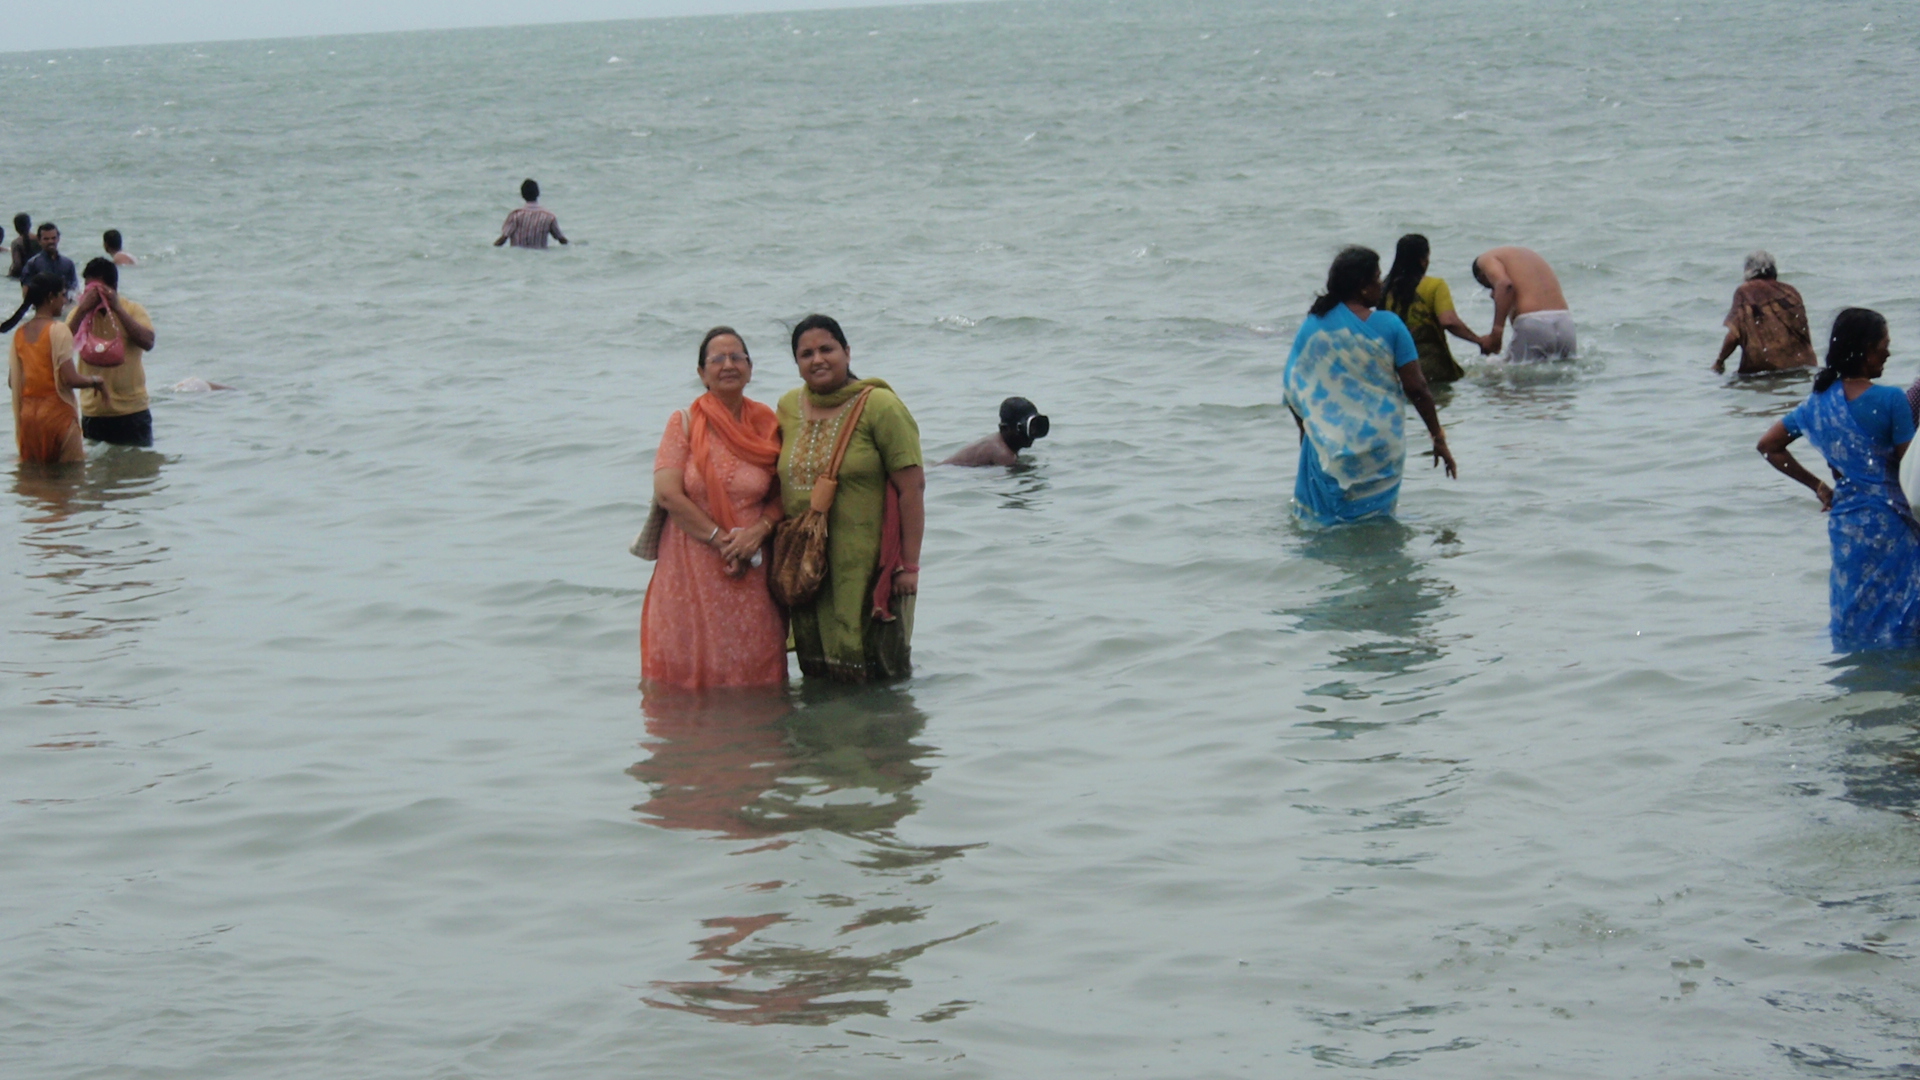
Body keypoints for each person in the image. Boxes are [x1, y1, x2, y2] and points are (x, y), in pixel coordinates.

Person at [1757, 308, 1920, 650]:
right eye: (1883, 345)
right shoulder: (1891, 400)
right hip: (1893, 526)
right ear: (1865, 350)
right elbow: (1912, 469)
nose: (1888, 353)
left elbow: (1769, 446)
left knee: (1856, 614)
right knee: (1904, 618)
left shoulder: (1816, 405)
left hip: (1847, 526)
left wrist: (1819, 487)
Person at [776, 315, 925, 682]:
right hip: (808, 569)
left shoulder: (881, 406)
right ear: (796, 363)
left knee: (876, 675)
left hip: (867, 569)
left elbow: (912, 488)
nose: (817, 360)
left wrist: (909, 566)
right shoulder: (788, 407)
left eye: (826, 349)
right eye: (806, 354)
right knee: (818, 674)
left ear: (847, 351)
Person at [640, 327, 789, 690]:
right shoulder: (684, 423)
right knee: (688, 671)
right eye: (717, 359)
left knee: (757, 670)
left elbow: (785, 493)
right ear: (701, 373)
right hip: (691, 564)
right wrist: (723, 542)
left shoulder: (769, 424)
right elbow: (668, 494)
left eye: (737, 357)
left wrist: (758, 533)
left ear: (750, 368)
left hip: (752, 565)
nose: (728, 365)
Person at [1283, 246, 1457, 526]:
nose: (1381, 284)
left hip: (1329, 444)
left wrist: (1308, 434)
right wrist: (1438, 437)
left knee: (1323, 525)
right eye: (1377, 278)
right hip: (1380, 447)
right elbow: (1417, 388)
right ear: (1362, 286)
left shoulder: (1313, 325)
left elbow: (1294, 386)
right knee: (1376, 522)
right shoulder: (1390, 325)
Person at [6, 273, 105, 464]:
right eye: (62, 295)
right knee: (71, 476)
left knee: (34, 478)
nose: (64, 301)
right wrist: (95, 381)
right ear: (51, 297)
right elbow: (70, 379)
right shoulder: (58, 330)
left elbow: (13, 382)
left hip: (29, 419)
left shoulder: (19, 334)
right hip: (58, 416)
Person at [68, 258, 157, 447]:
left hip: (132, 410)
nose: (92, 294)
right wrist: (83, 310)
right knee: (96, 464)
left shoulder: (132, 310)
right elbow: (61, 345)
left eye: (96, 289)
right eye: (88, 289)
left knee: (138, 463)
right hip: (94, 412)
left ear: (113, 287)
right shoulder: (79, 314)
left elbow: (148, 342)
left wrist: (117, 308)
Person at [1379, 234, 1488, 385]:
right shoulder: (1434, 285)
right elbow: (1449, 321)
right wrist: (1479, 341)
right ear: (1423, 260)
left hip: (1395, 369)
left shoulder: (1383, 289)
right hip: (1434, 368)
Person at [1713, 251, 1814, 375]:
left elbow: (1734, 335)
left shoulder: (1745, 291)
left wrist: (1719, 361)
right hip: (1802, 366)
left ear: (1748, 271)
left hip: (1764, 369)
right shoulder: (1790, 291)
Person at [1471, 246, 1574, 360]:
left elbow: (1504, 285)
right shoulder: (1525, 256)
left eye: (1490, 286)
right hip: (1565, 322)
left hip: (1534, 323)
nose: (1492, 293)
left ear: (1481, 276)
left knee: (1500, 369)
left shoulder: (1484, 260)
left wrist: (1497, 333)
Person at [939, 397, 1049, 466]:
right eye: (1024, 429)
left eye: (1035, 426)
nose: (1031, 434)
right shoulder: (1003, 454)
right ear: (1004, 429)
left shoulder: (998, 442)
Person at [493, 179, 567, 249]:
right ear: (538, 193)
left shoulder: (515, 215)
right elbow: (561, 239)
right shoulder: (549, 217)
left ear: (522, 195)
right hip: (541, 255)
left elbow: (503, 238)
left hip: (518, 256)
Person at [21, 223, 77, 297]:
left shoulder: (68, 264)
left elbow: (74, 290)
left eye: (53, 238)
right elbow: (26, 293)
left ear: (58, 239)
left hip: (64, 303)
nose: (50, 241)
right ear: (39, 240)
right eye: (46, 239)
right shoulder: (32, 264)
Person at [7, 214, 35, 279]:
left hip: (24, 276)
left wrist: (9, 276)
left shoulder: (16, 243)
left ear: (16, 227)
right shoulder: (40, 239)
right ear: (30, 225)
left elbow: (17, 265)